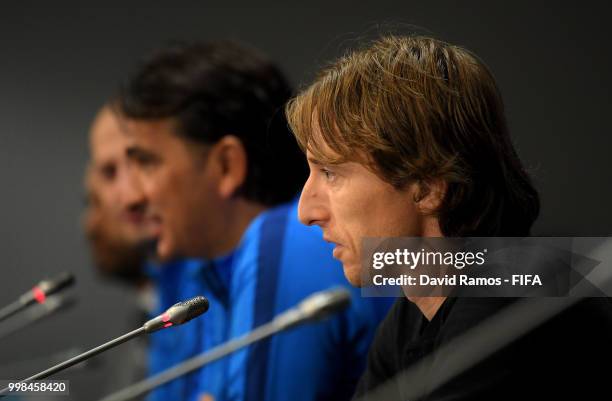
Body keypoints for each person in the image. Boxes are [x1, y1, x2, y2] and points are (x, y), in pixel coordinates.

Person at [286, 34, 612, 400]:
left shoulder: (518, 292)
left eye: (330, 172)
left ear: (427, 187)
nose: (306, 211)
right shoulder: (410, 317)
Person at [114, 40, 392, 401]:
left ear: (227, 165)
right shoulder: (202, 274)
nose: (131, 198)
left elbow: (482, 269)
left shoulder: (285, 241)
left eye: (147, 163)